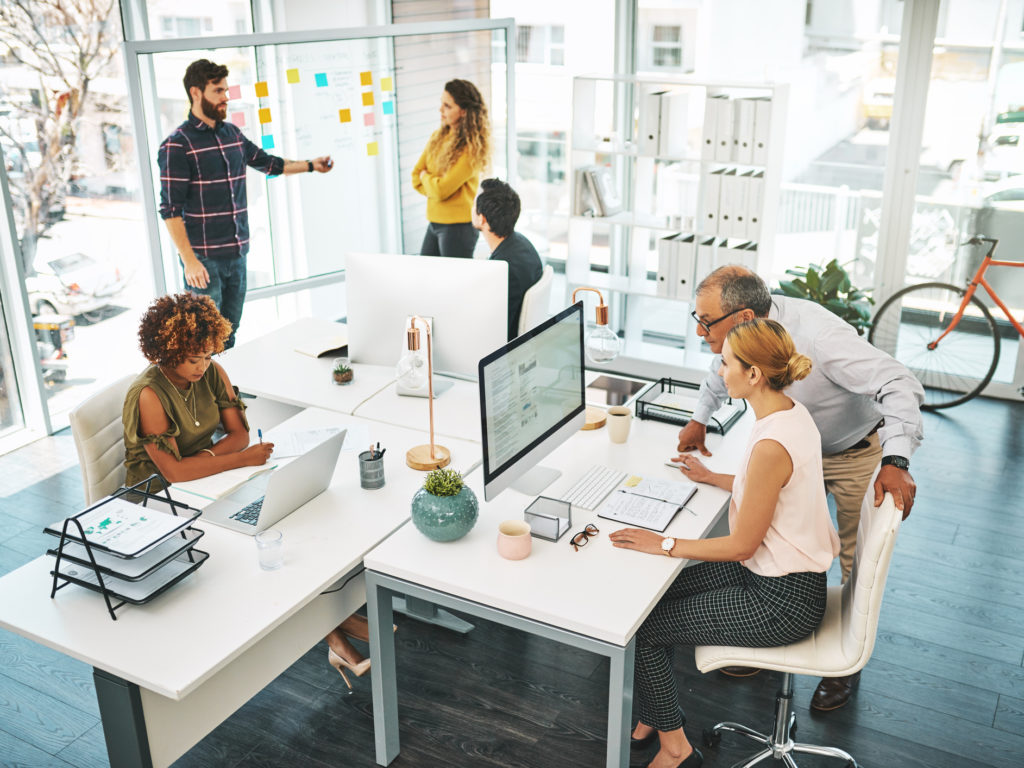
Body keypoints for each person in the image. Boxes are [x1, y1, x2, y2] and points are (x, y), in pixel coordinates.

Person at [676, 265, 923, 710]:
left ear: (745, 317)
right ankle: (762, 636)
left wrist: (896, 459)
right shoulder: (741, 338)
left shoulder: (820, 335)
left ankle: (842, 666)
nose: (700, 332)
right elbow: (719, 370)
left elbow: (897, 380)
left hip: (850, 450)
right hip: (795, 449)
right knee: (778, 538)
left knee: (853, 558)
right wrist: (699, 418)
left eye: (706, 322)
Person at [610, 319, 839, 768]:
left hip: (781, 599)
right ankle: (654, 714)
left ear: (754, 374)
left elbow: (741, 546)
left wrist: (665, 543)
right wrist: (714, 477)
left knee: (648, 629)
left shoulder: (773, 441)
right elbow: (768, 486)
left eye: (726, 362)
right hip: (780, 574)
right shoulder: (790, 413)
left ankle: (676, 749)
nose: (719, 370)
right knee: (647, 603)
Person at [123, 292, 370, 681]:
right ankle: (337, 631)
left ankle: (335, 620)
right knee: (258, 544)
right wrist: (234, 459)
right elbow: (172, 472)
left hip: (206, 480)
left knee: (277, 526)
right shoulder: (150, 395)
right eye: (193, 359)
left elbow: (237, 434)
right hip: (157, 503)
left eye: (208, 355)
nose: (203, 366)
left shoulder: (213, 372)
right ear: (167, 351)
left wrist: (207, 460)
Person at [158, 58, 335, 349]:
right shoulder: (177, 145)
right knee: (201, 341)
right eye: (218, 91)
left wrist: (311, 165)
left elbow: (269, 164)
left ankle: (224, 392)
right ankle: (204, 393)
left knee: (228, 333)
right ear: (196, 93)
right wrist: (189, 261)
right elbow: (170, 210)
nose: (226, 97)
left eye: (226, 90)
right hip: (204, 261)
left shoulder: (232, 135)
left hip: (237, 254)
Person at [412, 79, 491, 259]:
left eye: (447, 106)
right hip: (434, 221)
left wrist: (428, 179)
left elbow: (441, 190)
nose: (441, 110)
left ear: (463, 111)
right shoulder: (437, 137)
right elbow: (416, 175)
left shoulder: (472, 150)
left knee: (455, 284)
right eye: (442, 104)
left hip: (458, 228)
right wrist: (432, 183)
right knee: (426, 276)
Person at [472, 178, 543, 340]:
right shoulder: (522, 243)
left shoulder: (503, 271)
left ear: (482, 219)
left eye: (474, 203)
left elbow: (491, 332)